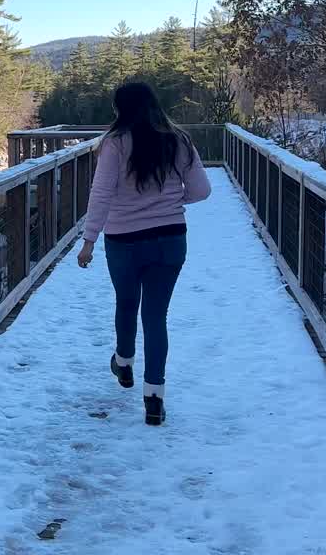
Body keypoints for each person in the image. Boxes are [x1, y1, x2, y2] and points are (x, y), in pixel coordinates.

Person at [76, 82, 211, 425]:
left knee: (126, 303)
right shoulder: (178, 139)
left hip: (124, 241)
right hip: (170, 239)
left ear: (121, 109)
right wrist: (175, 202)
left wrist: (89, 240)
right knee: (155, 317)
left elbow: (101, 193)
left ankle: (123, 363)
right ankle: (154, 399)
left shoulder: (114, 143)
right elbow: (201, 190)